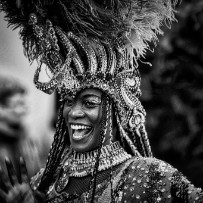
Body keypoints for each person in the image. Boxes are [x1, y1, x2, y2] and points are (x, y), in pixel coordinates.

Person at [0, 0, 202, 202]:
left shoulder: (148, 176)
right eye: (69, 101)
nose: (74, 113)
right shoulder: (44, 183)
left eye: (89, 103)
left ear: (115, 108)